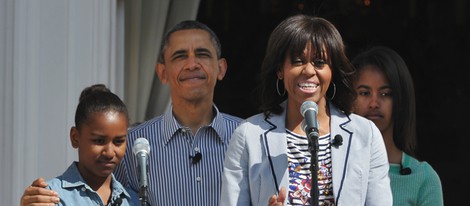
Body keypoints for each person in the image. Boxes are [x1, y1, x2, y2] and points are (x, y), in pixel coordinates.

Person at [20, 20, 242, 206]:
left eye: (202, 54)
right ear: (162, 72)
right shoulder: (135, 145)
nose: (192, 64)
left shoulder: (247, 138)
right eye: (180, 56)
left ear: (220, 68)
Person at [220, 14, 392, 206]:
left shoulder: (365, 134)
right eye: (298, 61)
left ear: (331, 71)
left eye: (319, 62)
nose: (309, 71)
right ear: (280, 70)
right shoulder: (248, 135)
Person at [351, 46, 443, 206]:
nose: (374, 103)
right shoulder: (332, 167)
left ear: (401, 101)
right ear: (349, 99)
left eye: (385, 94)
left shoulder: (423, 178)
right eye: (364, 93)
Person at [21, 84, 138, 205]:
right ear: (75, 137)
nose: (109, 152)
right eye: (99, 141)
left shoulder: (133, 201)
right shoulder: (48, 197)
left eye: (118, 141)